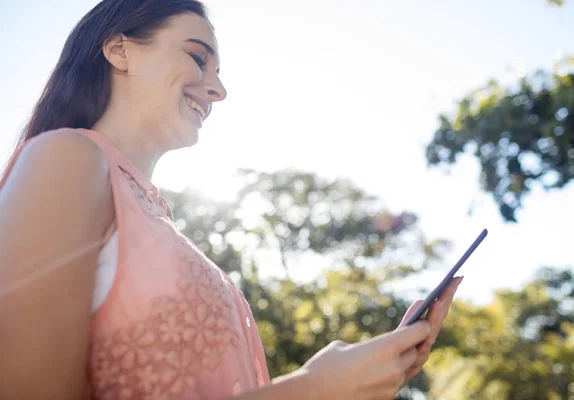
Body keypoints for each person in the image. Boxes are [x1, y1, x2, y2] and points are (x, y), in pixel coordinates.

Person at [0, 1, 463, 399]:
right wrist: (313, 388)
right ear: (120, 50)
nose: (218, 89)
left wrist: (352, 382)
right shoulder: (64, 158)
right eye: (198, 58)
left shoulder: (161, 223)